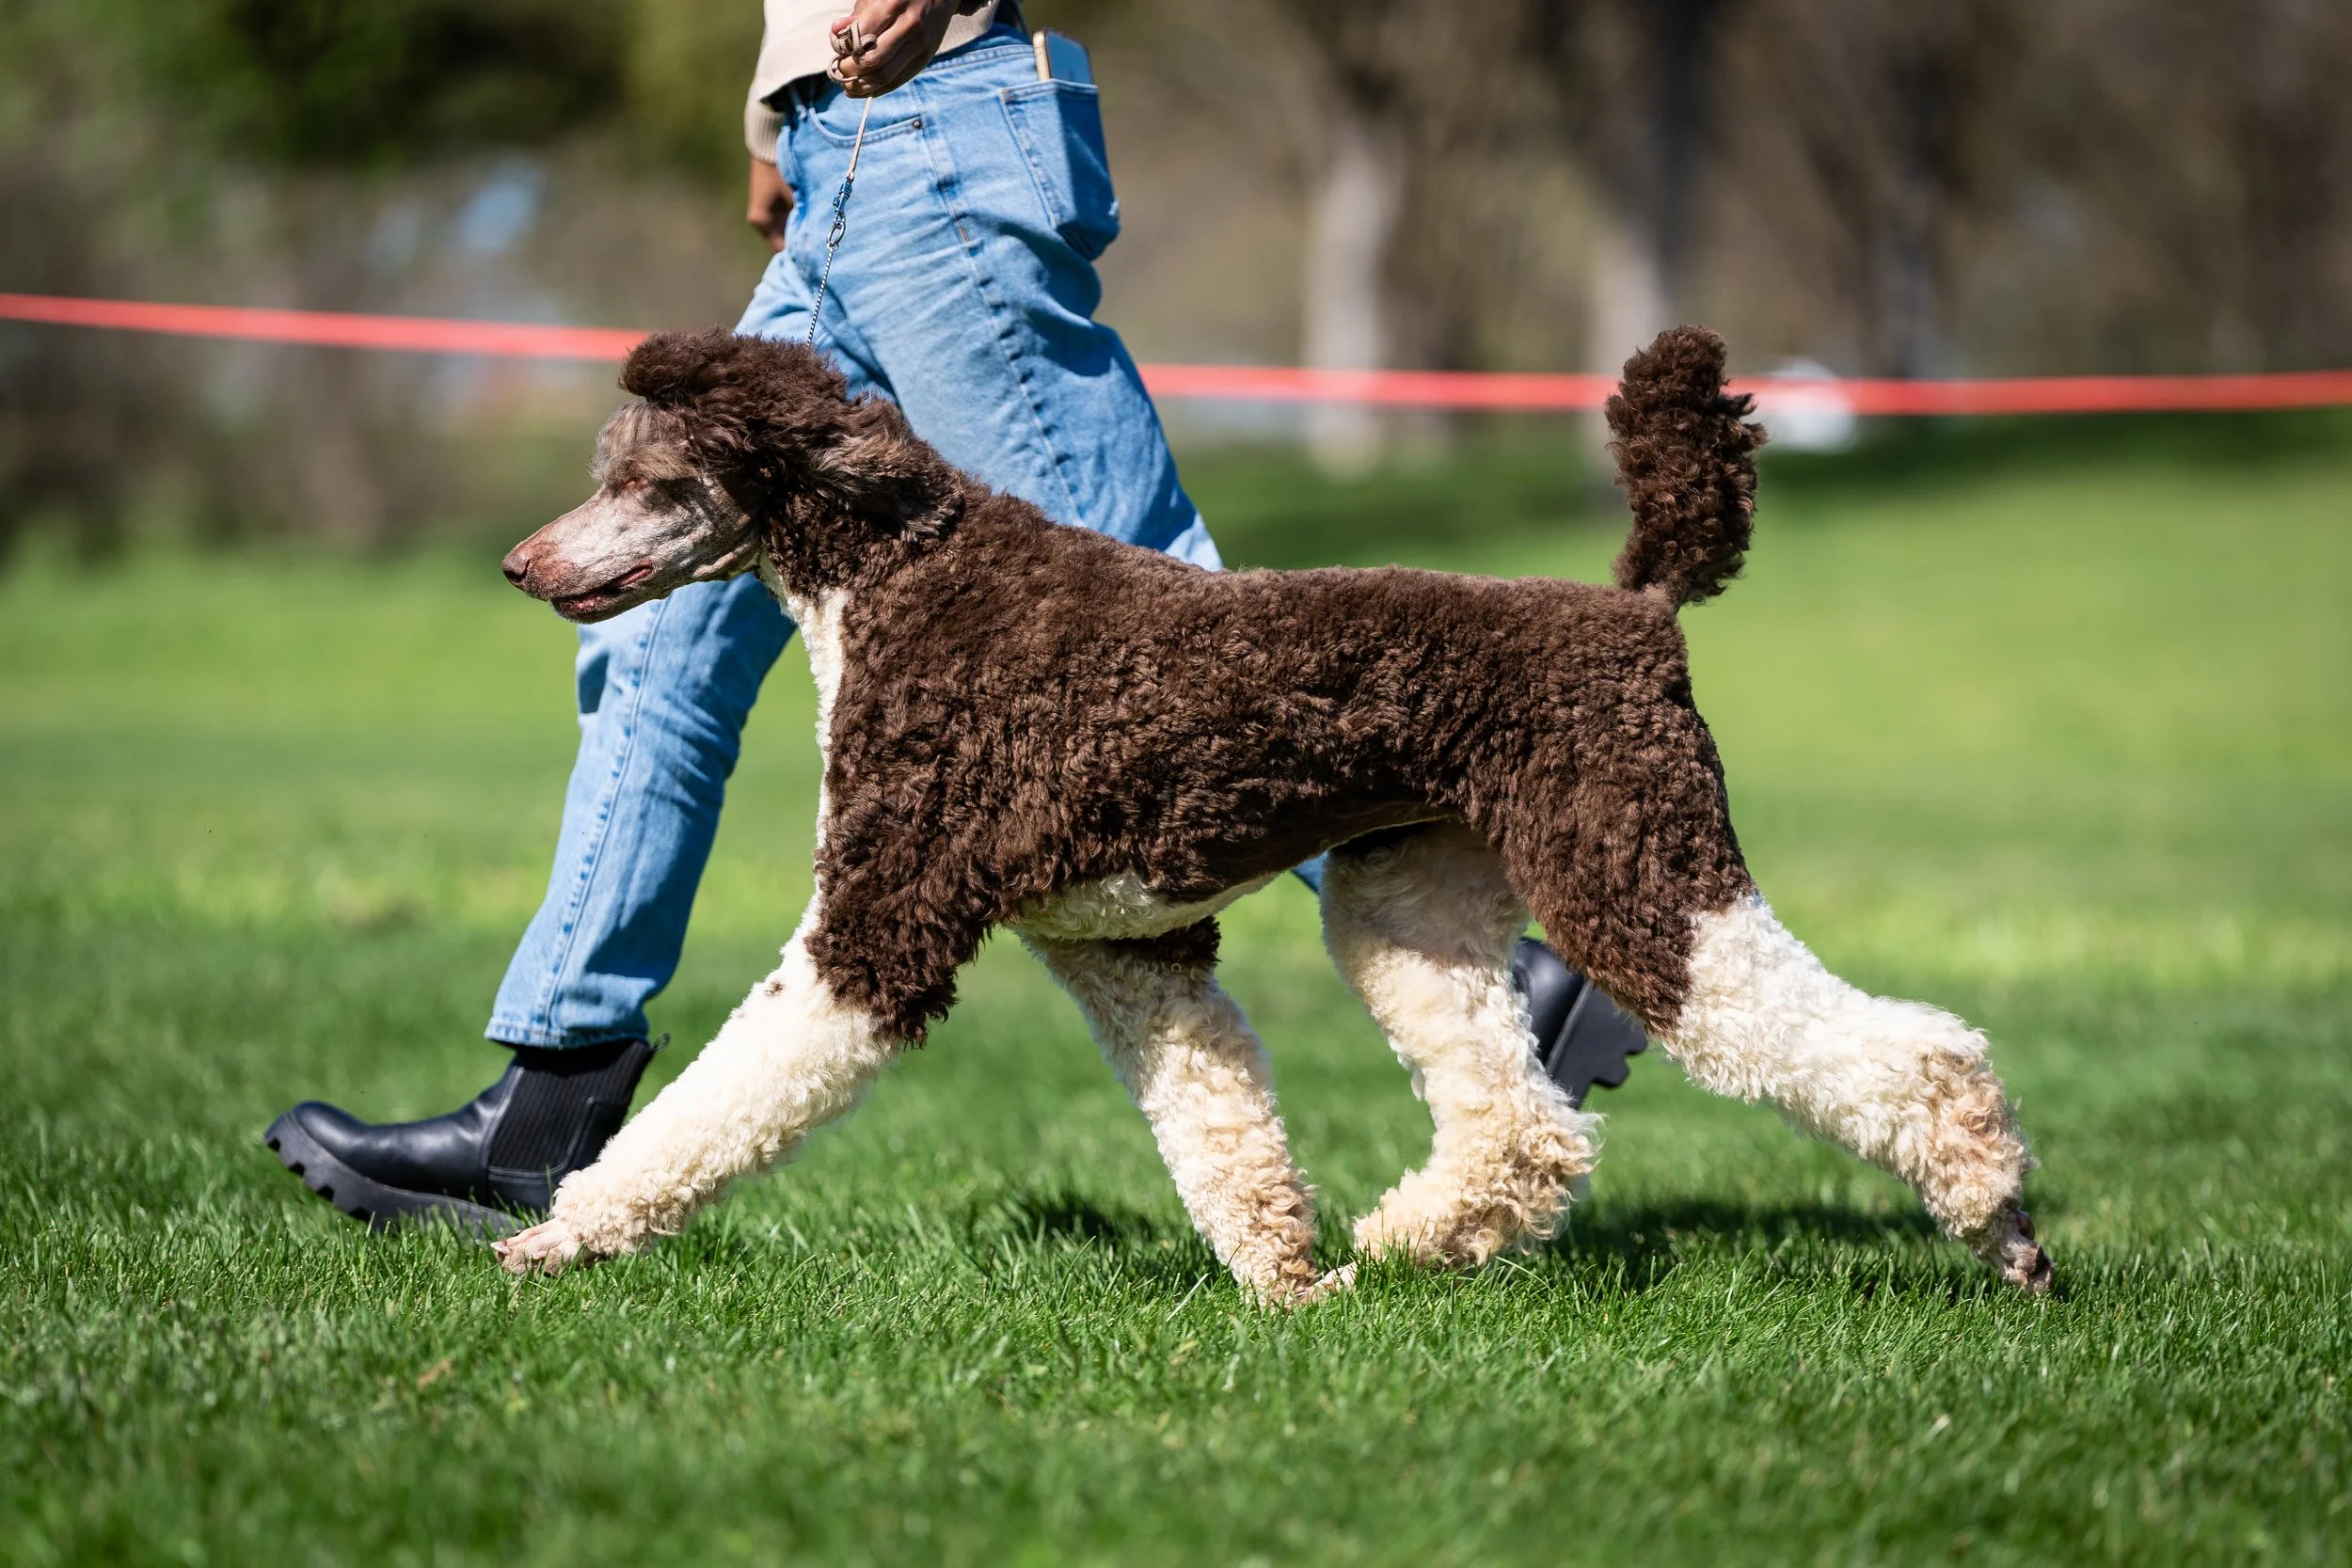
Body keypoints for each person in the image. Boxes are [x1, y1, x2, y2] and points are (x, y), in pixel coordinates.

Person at [264, 0, 1643, 1231]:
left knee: (1157, 627)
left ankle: (1503, 979)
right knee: (655, 634)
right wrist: (777, 109)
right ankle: (547, 1107)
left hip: (935, 134)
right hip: (840, 151)